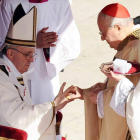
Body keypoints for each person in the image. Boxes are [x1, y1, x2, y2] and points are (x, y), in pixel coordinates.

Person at [0, 1, 80, 139]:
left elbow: (72, 44)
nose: (31, 59)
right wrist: (34, 42)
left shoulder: (60, 3)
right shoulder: (10, 2)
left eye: (31, 54)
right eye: (27, 55)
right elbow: (21, 120)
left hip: (46, 77)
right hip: (16, 74)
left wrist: (47, 48)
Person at [73, 3, 140, 140]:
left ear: (118, 28)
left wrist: (100, 97)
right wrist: (86, 94)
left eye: (103, 33)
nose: (102, 38)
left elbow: (134, 101)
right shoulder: (129, 44)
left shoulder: (135, 49)